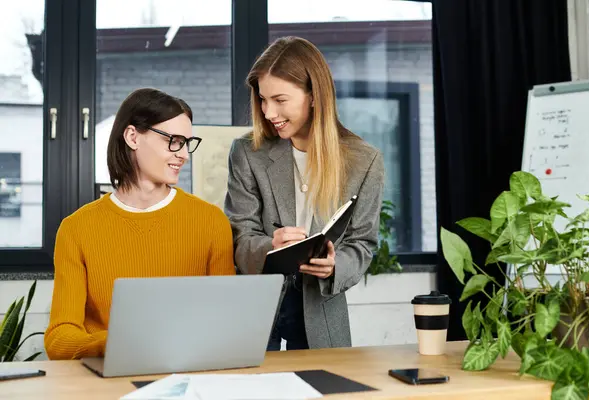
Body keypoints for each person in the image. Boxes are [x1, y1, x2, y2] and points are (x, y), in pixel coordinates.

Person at [45, 88, 236, 360]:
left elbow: (225, 323)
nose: (183, 154)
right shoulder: (76, 229)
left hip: (188, 374)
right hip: (107, 380)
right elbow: (60, 336)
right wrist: (119, 344)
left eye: (187, 143)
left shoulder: (211, 222)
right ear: (132, 136)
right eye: (174, 141)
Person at [224, 36, 385, 350]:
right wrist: (271, 245)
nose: (268, 112)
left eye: (280, 100)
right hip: (256, 310)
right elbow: (239, 235)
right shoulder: (247, 152)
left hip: (321, 312)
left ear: (314, 96)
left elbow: (363, 243)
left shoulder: (366, 162)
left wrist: (335, 266)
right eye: (262, 99)